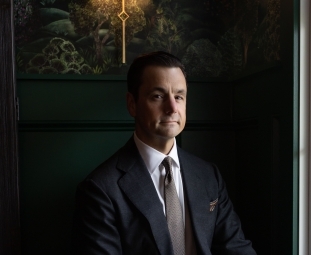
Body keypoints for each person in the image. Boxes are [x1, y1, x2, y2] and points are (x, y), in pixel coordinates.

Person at [72, 51, 256, 255]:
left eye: (179, 96)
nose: (172, 107)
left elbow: (236, 248)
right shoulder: (101, 189)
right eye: (158, 96)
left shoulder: (208, 175)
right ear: (132, 104)